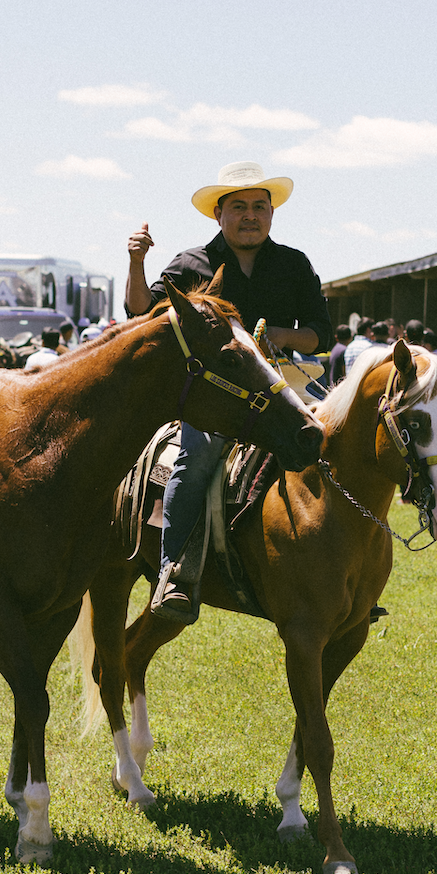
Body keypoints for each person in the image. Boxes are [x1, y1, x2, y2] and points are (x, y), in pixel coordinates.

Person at [123, 161, 330, 623]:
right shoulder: (190, 263)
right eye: (239, 207)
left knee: (337, 445)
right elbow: (142, 314)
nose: (251, 215)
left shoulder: (293, 264)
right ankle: (174, 573)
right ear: (218, 214)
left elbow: (321, 333)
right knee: (195, 453)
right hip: (215, 393)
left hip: (283, 382)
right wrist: (136, 262)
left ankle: (346, 573)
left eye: (260, 206)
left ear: (272, 214)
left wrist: (275, 332)